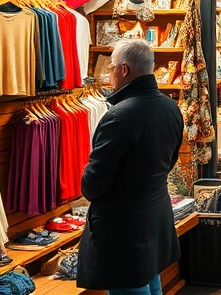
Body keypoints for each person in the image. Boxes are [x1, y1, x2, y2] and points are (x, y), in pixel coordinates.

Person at [77, 39, 184, 295]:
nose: (110, 73)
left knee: (131, 287)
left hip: (123, 226)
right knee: (151, 282)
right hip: (155, 213)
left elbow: (94, 184)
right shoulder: (170, 106)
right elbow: (169, 162)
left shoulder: (119, 116)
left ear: (124, 69)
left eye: (112, 66)